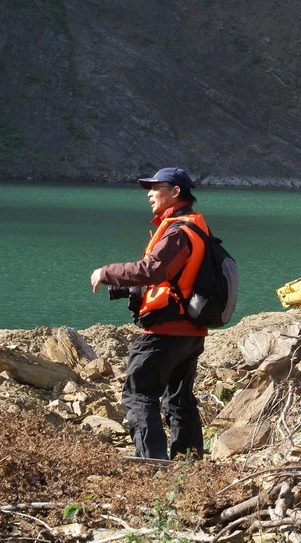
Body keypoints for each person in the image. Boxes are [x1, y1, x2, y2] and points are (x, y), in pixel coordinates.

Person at [90, 167, 209, 460]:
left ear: (176, 191)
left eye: (156, 187)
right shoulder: (195, 226)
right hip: (190, 331)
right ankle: (188, 467)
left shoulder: (178, 231)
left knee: (138, 394)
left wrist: (106, 272)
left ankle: (152, 465)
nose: (150, 194)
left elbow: (153, 270)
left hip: (165, 331)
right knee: (179, 400)